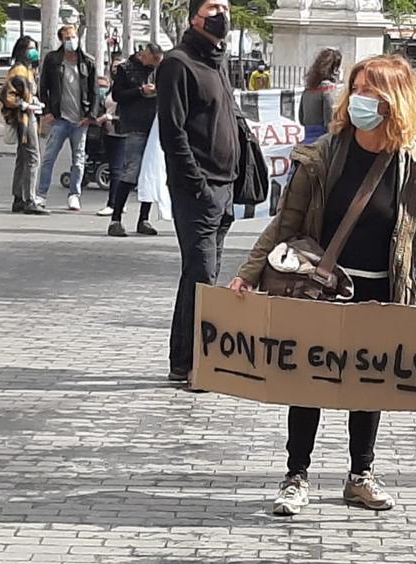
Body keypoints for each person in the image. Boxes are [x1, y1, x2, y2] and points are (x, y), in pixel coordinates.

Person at [229, 55, 416, 517]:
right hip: (321, 290)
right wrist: (247, 273)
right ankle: (296, 475)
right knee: (307, 382)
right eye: (358, 89)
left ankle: (360, 475)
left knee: (370, 386)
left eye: (373, 91)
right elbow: (285, 221)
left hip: (382, 291)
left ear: (396, 101)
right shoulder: (325, 154)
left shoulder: (414, 167)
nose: (361, 99)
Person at [157, 0, 243, 384]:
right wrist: (198, 185)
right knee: (204, 277)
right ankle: (199, 364)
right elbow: (172, 133)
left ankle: (183, 360)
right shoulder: (178, 63)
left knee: (199, 275)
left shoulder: (218, 62)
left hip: (224, 188)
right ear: (195, 16)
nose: (221, 12)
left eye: (225, 5)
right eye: (213, 6)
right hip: (198, 191)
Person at [36, 25, 98, 212]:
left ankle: (74, 195)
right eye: (67, 38)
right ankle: (41, 194)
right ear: (61, 40)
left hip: (80, 120)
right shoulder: (53, 60)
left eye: (73, 37)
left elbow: (94, 91)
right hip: (60, 118)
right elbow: (43, 86)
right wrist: (47, 111)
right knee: (49, 158)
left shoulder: (88, 62)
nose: (71, 41)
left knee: (78, 160)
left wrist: (90, 116)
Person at [105, 42, 164, 237]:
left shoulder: (160, 70)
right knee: (131, 171)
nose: (154, 66)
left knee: (150, 172)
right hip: (134, 125)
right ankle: (116, 218)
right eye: (152, 60)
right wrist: (140, 91)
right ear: (143, 56)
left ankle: (144, 218)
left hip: (154, 126)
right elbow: (117, 95)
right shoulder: (126, 69)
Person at [1, 35, 49, 216]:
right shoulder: (18, 71)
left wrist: (33, 101)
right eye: (31, 48)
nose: (34, 51)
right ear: (22, 50)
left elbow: (27, 92)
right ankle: (29, 198)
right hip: (24, 119)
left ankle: (19, 197)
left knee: (23, 158)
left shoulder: (28, 70)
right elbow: (7, 96)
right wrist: (24, 105)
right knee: (33, 157)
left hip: (29, 116)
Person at [93, 74, 127, 219]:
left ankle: (113, 204)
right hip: (108, 132)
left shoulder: (127, 92)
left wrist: (109, 117)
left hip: (121, 132)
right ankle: (119, 202)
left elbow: (128, 114)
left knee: (116, 169)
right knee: (115, 167)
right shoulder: (112, 90)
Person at [300, 48, 342, 145]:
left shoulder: (307, 90)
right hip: (323, 143)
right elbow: (329, 122)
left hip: (307, 140)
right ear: (335, 69)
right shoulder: (329, 90)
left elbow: (301, 119)